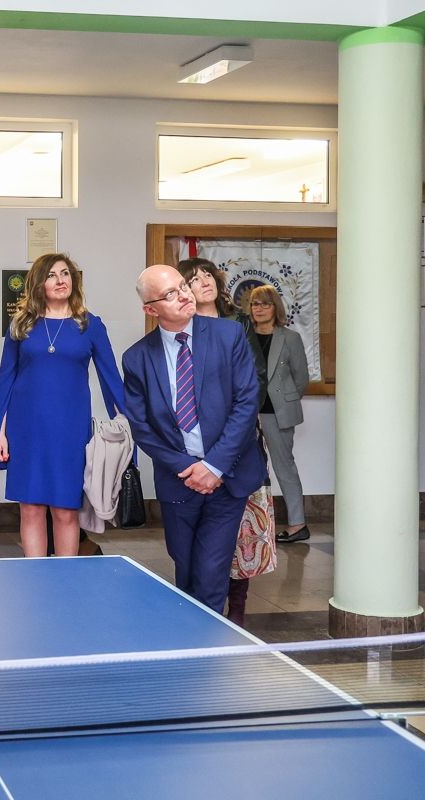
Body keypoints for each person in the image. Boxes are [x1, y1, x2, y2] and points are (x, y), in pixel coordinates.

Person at [121, 264, 264, 613]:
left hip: (227, 477)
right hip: (179, 480)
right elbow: (141, 426)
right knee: (185, 572)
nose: (184, 295)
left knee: (211, 573)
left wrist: (213, 466)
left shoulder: (228, 335)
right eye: (170, 294)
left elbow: (247, 402)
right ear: (150, 309)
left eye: (183, 286)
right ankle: (189, 637)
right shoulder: (137, 358)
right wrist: (188, 468)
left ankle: (209, 643)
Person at [0, 252, 126, 557]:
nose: (60, 280)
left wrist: (128, 428)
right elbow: (6, 380)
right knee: (31, 508)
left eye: (65, 273)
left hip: (70, 429)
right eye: (51, 275)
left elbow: (111, 379)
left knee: (66, 509)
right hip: (27, 428)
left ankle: (66, 578)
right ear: (39, 283)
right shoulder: (21, 324)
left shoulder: (90, 325)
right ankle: (35, 574)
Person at [178, 257, 269, 622]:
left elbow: (255, 380)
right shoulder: (180, 328)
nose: (205, 282)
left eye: (208, 275)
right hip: (196, 453)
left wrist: (231, 422)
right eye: (194, 278)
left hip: (240, 442)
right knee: (201, 545)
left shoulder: (239, 324)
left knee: (243, 535)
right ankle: (197, 611)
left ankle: (238, 612)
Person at [247, 285, 312, 544]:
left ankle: (298, 524)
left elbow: (301, 378)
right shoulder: (244, 336)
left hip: (277, 413)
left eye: (265, 303)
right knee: (247, 468)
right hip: (246, 414)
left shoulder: (290, 338)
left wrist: (283, 401)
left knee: (284, 467)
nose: (259, 309)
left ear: (276, 308)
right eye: (255, 304)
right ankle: (251, 525)